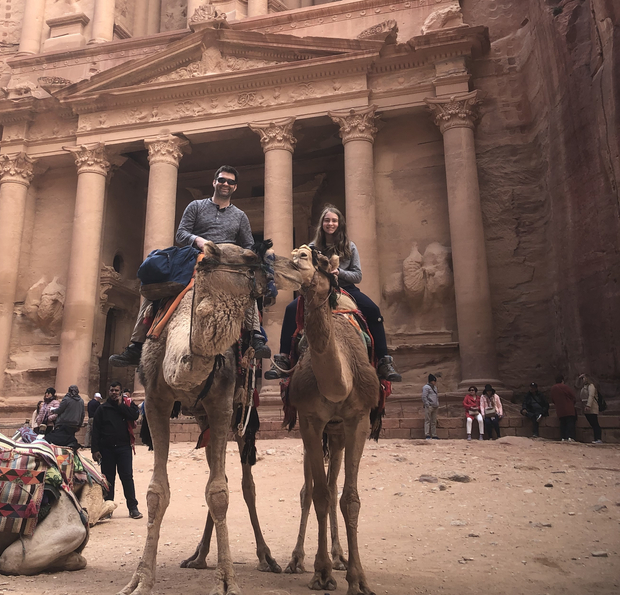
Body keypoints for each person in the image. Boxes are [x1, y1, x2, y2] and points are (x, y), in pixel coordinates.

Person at [112, 165, 271, 367]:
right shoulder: (196, 206)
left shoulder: (240, 216)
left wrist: (246, 257)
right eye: (222, 180)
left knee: (247, 287)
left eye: (230, 182)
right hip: (195, 257)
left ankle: (256, 336)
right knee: (154, 285)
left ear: (235, 187)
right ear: (214, 182)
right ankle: (136, 344)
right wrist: (199, 241)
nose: (225, 184)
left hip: (226, 262)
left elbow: (248, 245)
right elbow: (181, 233)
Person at [265, 205, 402, 382]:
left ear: (340, 223)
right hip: (319, 289)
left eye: (334, 220)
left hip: (345, 288)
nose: (330, 223)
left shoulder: (349, 247)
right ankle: (283, 358)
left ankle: (384, 360)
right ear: (322, 224)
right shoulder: (312, 248)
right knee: (291, 309)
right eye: (327, 220)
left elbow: (358, 275)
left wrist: (339, 273)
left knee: (374, 310)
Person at [91, 381, 142, 519]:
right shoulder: (102, 409)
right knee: (108, 480)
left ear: (120, 392)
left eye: (116, 390)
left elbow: (134, 415)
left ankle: (133, 508)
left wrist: (121, 405)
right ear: (109, 391)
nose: (114, 392)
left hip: (124, 448)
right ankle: (108, 508)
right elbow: (95, 430)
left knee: (127, 477)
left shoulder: (127, 405)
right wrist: (94, 450)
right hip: (106, 449)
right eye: (112, 390)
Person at [550, 374, 577, 442]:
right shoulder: (565, 387)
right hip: (569, 408)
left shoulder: (553, 388)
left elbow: (553, 399)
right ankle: (570, 437)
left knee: (562, 423)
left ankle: (563, 437)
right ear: (562, 380)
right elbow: (573, 396)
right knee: (570, 423)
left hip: (559, 409)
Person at [578, 373, 603, 443]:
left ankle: (598, 438)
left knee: (595, 423)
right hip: (585, 406)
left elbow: (591, 396)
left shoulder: (591, 386)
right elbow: (576, 385)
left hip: (592, 407)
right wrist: (579, 378)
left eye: (584, 378)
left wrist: (588, 405)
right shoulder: (584, 386)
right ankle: (596, 438)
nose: (583, 380)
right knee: (592, 423)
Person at [422, 374, 439, 439]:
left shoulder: (435, 387)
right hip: (429, 406)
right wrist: (427, 404)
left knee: (433, 421)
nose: (435, 382)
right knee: (427, 420)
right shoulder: (426, 387)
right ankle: (427, 434)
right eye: (434, 381)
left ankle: (434, 434)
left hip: (435, 406)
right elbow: (424, 396)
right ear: (431, 381)